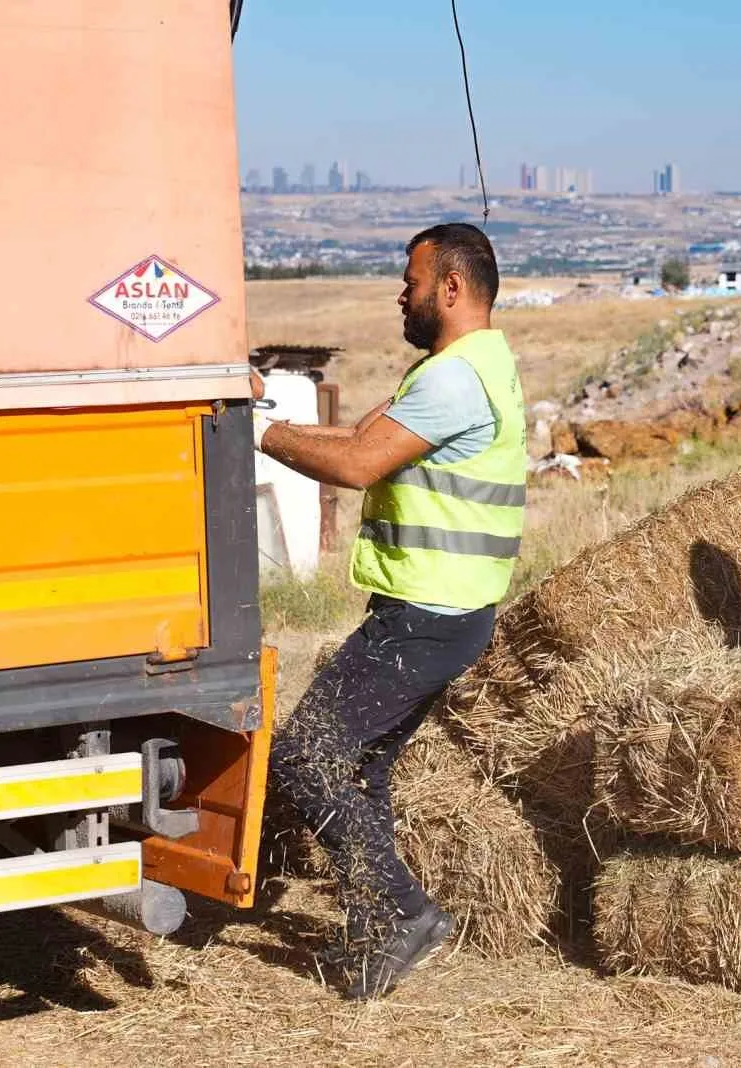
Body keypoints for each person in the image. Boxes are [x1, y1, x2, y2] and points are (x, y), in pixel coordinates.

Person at [253, 223, 525, 1000]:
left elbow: (356, 462)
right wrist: (267, 409)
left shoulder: (451, 380)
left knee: (305, 755)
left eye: (410, 281)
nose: (399, 294)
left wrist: (258, 434)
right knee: (361, 767)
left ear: (451, 287)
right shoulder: (471, 364)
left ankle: (403, 913)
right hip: (443, 610)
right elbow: (366, 432)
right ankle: (381, 925)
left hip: (427, 613)